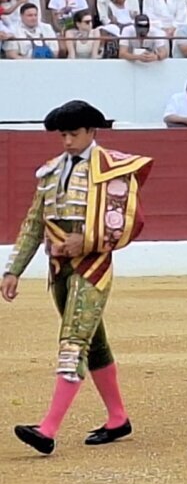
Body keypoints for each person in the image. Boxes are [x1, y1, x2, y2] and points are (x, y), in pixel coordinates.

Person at [3, 101, 152, 456]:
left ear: (91, 132)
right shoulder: (51, 172)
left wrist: (83, 241)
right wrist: (13, 269)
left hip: (92, 267)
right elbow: (33, 223)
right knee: (94, 343)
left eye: (73, 133)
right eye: (63, 134)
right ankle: (118, 418)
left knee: (73, 341)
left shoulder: (113, 168)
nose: (67, 141)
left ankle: (48, 429)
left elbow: (127, 223)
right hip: (59, 270)